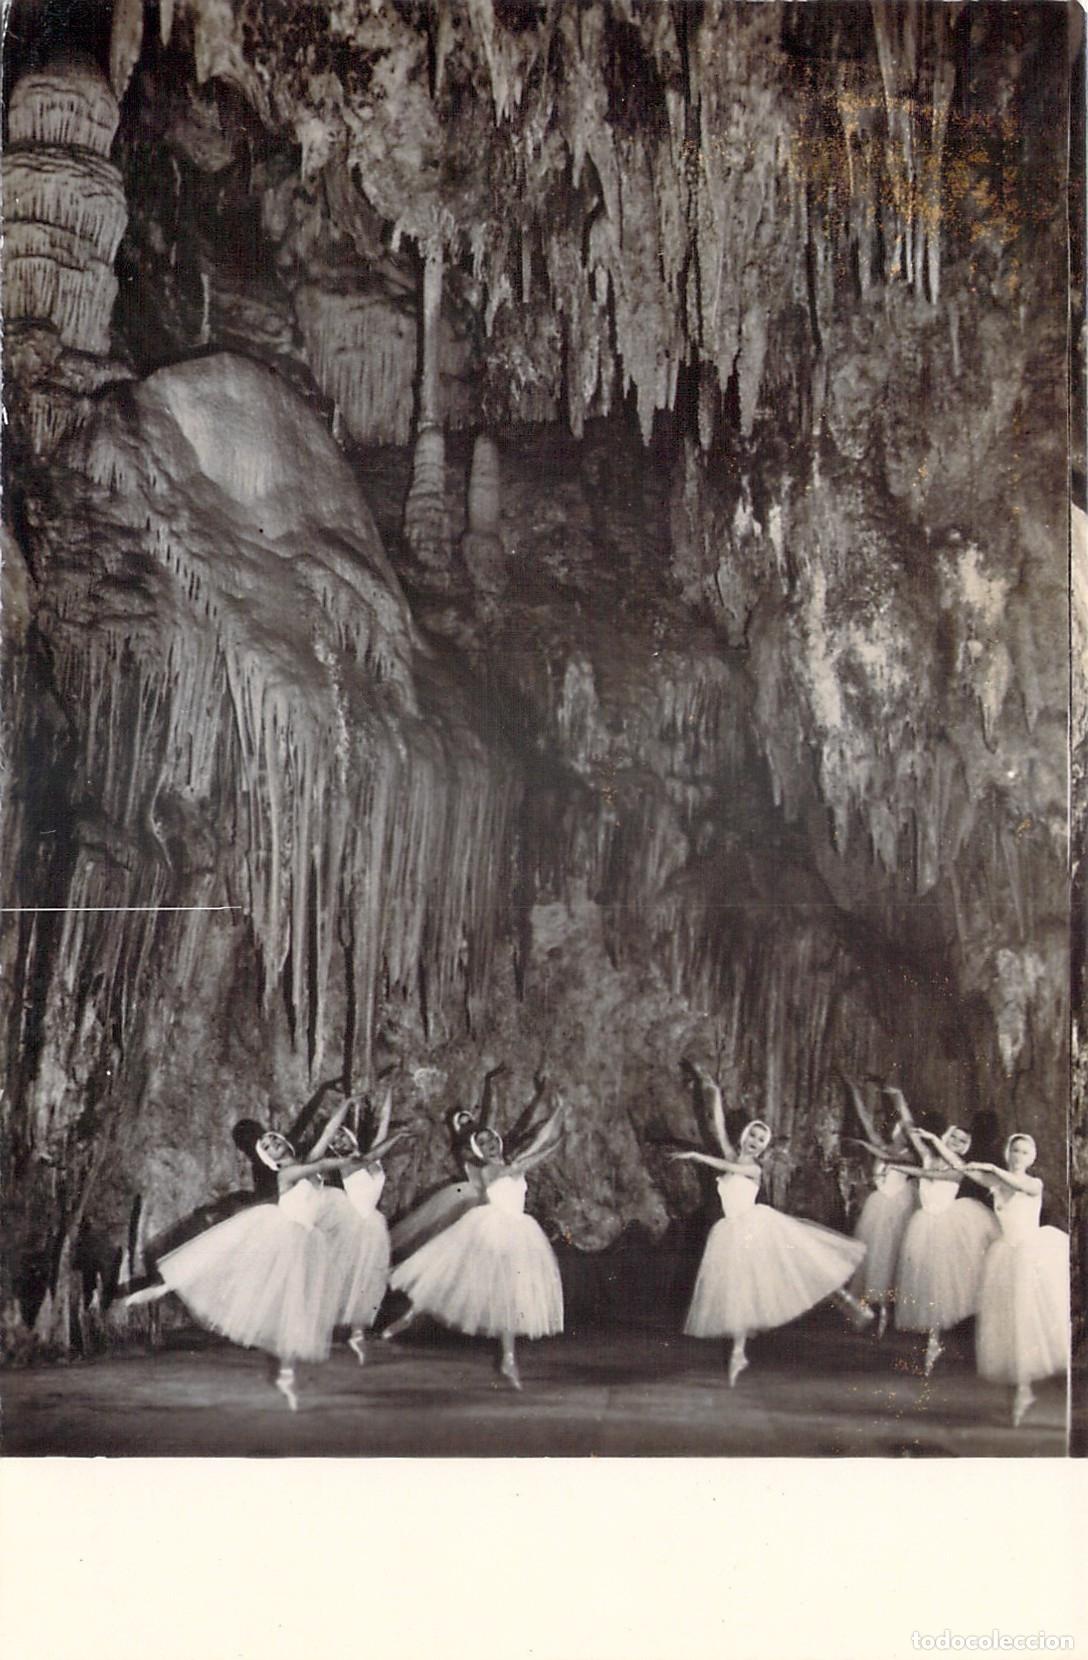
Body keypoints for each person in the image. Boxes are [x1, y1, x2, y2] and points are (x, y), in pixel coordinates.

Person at [128, 1130, 363, 1410]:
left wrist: (346, 1105)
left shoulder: (302, 1164)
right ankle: (162, 1287)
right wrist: (353, 1159)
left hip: (305, 1239)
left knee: (293, 1310)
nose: (273, 1144)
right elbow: (323, 1164)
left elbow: (323, 1142)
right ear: (270, 1159)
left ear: (285, 1142)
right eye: (267, 1146)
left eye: (274, 1140)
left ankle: (286, 1376)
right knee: (231, 1265)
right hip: (282, 1235)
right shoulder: (287, 1174)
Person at [674, 1063, 869, 1387]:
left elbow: (722, 1162)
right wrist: (711, 1088)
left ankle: (846, 1301)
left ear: (764, 1148)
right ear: (745, 1135)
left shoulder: (754, 1169)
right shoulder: (733, 1154)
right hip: (731, 1232)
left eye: (761, 1140)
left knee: (797, 1264)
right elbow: (718, 1128)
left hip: (756, 1226)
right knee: (739, 1292)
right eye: (753, 1134)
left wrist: (696, 1158)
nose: (755, 1141)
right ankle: (738, 1353)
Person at [384, 1103, 566, 1388]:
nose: (490, 1144)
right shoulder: (490, 1171)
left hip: (517, 1233)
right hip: (491, 1231)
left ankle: (508, 1360)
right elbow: (533, 1154)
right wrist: (555, 1133)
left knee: (509, 1296)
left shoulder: (506, 1165)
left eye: (491, 1139)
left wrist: (557, 1121)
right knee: (453, 1277)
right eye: (482, 1143)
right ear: (478, 1151)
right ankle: (410, 1315)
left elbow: (536, 1146)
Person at [857, 1090, 1000, 1375]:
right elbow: (911, 1132)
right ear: (947, 1139)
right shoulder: (926, 1157)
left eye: (963, 1141)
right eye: (955, 1138)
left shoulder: (961, 1168)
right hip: (923, 1226)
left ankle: (935, 1343)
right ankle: (931, 1342)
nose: (958, 1143)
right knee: (923, 1283)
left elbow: (933, 1176)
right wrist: (900, 1100)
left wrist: (911, 1158)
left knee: (942, 1283)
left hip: (948, 1228)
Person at [963, 1134, 1070, 1426]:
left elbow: (1018, 1184)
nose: (1019, 1155)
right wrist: (937, 1143)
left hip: (1030, 1256)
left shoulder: (1034, 1183)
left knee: (1026, 1322)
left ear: (1031, 1157)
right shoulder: (996, 1182)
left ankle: (1024, 1391)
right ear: (1008, 1152)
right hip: (1004, 1256)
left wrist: (991, 1168)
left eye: (1025, 1152)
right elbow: (963, 1168)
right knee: (1007, 1323)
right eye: (1015, 1150)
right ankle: (1019, 1390)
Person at [319, 1089, 413, 1364]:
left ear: (351, 1138)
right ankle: (323, 1330)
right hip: (354, 1224)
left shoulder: (371, 1156)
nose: (339, 1141)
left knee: (368, 1278)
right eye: (335, 1141)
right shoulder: (350, 1162)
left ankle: (357, 1334)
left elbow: (380, 1134)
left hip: (371, 1225)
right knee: (343, 1277)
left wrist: (388, 1096)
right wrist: (398, 1136)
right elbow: (373, 1153)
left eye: (342, 1137)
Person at [841, 1075, 917, 1337]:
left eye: (902, 1135)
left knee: (890, 1258)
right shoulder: (884, 1146)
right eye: (896, 1133)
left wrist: (898, 1097)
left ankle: (887, 1312)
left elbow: (901, 1133)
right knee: (872, 1257)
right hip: (879, 1205)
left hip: (897, 1207)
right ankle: (870, 1309)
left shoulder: (908, 1155)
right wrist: (854, 1091)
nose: (897, 1137)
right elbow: (865, 1124)